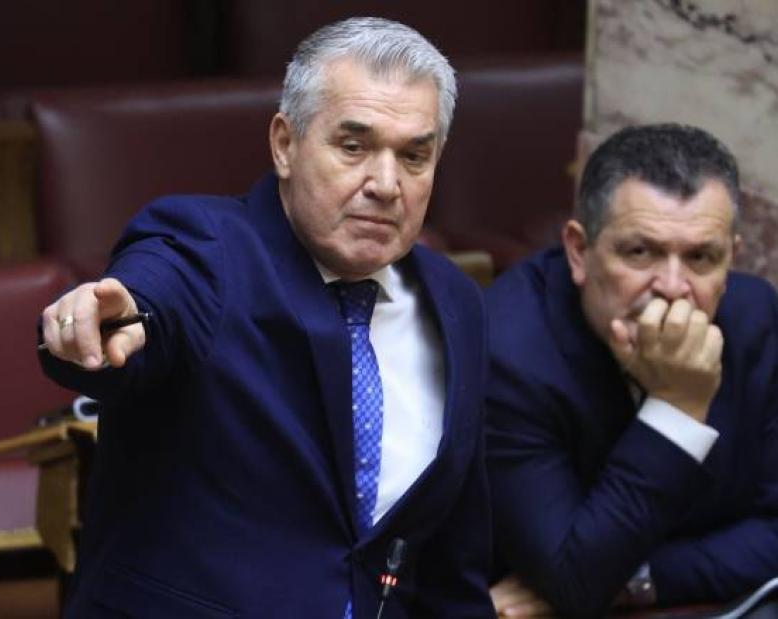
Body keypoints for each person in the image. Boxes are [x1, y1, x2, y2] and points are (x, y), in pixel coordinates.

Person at [38, 17, 494, 618]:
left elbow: (450, 562)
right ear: (285, 144)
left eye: (414, 156)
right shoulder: (206, 249)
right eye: (353, 147)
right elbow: (154, 296)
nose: (386, 184)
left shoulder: (455, 303)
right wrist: (111, 319)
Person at [485, 123, 778, 617]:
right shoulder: (509, 349)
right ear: (579, 251)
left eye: (701, 258)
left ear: (732, 259)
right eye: (641, 252)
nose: (672, 287)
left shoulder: (755, 319)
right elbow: (574, 578)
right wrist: (677, 407)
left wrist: (637, 578)